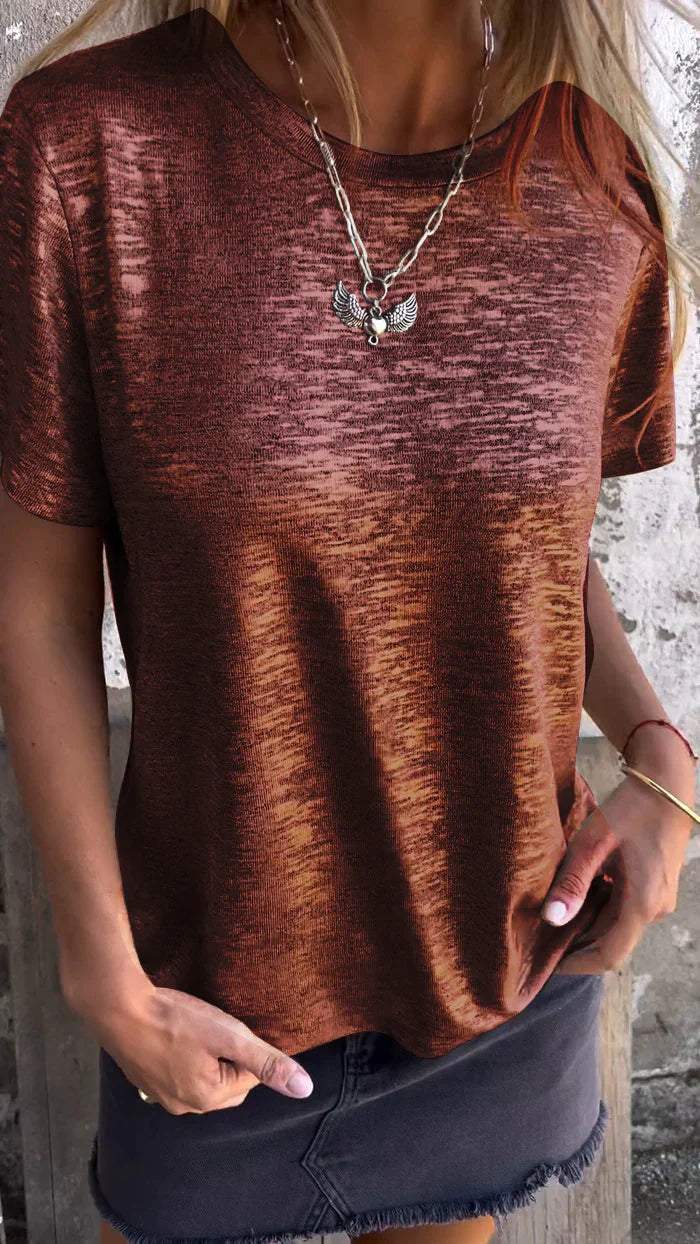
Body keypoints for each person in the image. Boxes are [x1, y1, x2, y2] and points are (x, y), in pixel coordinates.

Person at [0, 2, 698, 1242]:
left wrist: (660, 753)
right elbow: (40, 595)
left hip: (504, 967)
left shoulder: (598, 181)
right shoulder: (91, 145)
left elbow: (526, 546)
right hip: (205, 988)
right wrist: (101, 969)